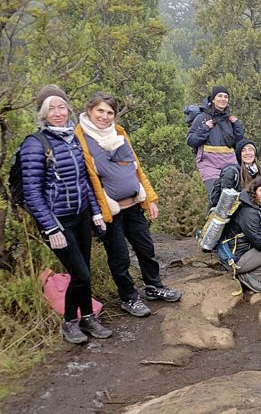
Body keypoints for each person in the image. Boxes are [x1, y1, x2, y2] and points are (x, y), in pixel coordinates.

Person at [75, 93, 182, 318]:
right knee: (119, 256)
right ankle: (129, 298)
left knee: (146, 248)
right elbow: (86, 179)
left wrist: (149, 199)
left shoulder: (119, 132)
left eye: (109, 112)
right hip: (109, 211)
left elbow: (136, 169)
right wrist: (95, 212)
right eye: (100, 111)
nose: (104, 117)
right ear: (90, 111)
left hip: (134, 204)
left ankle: (154, 286)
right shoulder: (81, 138)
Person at [21, 85, 111, 344]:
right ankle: (70, 322)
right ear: (42, 113)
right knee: (80, 273)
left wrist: (94, 212)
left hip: (81, 215)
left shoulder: (72, 138)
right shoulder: (34, 145)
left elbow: (84, 180)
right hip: (58, 222)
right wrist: (50, 228)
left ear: (68, 108)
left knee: (84, 272)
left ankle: (88, 318)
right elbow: (32, 194)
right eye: (51, 108)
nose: (57, 112)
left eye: (61, 107)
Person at [187, 85, 245, 198]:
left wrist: (237, 125)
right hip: (209, 165)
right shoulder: (202, 118)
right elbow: (191, 140)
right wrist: (205, 128)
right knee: (216, 197)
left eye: (226, 96)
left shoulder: (231, 120)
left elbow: (238, 143)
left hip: (230, 163)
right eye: (220, 96)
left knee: (233, 198)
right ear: (213, 99)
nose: (223, 99)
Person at [208, 139, 261, 210]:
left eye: (250, 150)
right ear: (239, 154)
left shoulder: (259, 172)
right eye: (243, 150)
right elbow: (225, 201)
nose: (247, 153)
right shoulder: (231, 172)